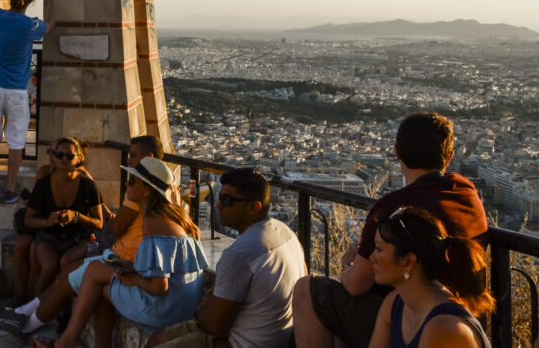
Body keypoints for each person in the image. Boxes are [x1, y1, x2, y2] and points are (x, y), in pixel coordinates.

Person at [292, 112, 489, 348]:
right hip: (469, 310)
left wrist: (346, 265)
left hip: (422, 315)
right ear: (449, 156)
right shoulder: (467, 193)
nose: (375, 255)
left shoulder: (396, 208)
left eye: (378, 249)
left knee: (308, 289)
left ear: (397, 153)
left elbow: (355, 285)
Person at [0, 135, 166, 339]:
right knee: (63, 272)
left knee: (68, 277)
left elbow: (114, 227)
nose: (128, 161)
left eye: (133, 156)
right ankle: (29, 318)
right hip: (121, 258)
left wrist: (82, 214)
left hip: (125, 261)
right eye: (58, 154)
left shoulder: (141, 191)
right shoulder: (160, 191)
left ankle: (28, 323)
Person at [28, 157, 206, 348]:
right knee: (102, 289)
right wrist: (132, 267)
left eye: (132, 181)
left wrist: (134, 278)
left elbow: (159, 287)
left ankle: (64, 342)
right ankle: (72, 342)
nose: (127, 184)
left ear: (147, 190)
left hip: (165, 308)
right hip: (182, 304)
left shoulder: (153, 222)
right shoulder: (171, 216)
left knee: (95, 271)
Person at [152, 168, 307, 348]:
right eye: (219, 197)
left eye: (227, 200)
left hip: (239, 342)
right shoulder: (286, 233)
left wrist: (204, 307)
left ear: (253, 207)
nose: (218, 205)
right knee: (159, 337)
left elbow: (213, 326)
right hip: (278, 337)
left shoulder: (240, 254)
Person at [367, 207, 493, 348]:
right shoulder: (394, 304)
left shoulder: (444, 328)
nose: (372, 257)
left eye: (379, 249)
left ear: (408, 261)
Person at [0, 0, 53, 204]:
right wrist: (48, 2)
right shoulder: (30, 25)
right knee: (16, 142)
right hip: (17, 92)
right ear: (31, 0)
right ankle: (10, 189)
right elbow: (49, 24)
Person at [22, 138, 104, 296]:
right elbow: (29, 220)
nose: (64, 158)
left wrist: (76, 217)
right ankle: (34, 306)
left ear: (79, 158)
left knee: (67, 263)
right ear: (53, 157)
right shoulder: (43, 184)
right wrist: (48, 221)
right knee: (49, 266)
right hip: (49, 236)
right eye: (60, 155)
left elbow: (98, 223)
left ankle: (61, 311)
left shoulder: (88, 186)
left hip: (79, 237)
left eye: (69, 155)